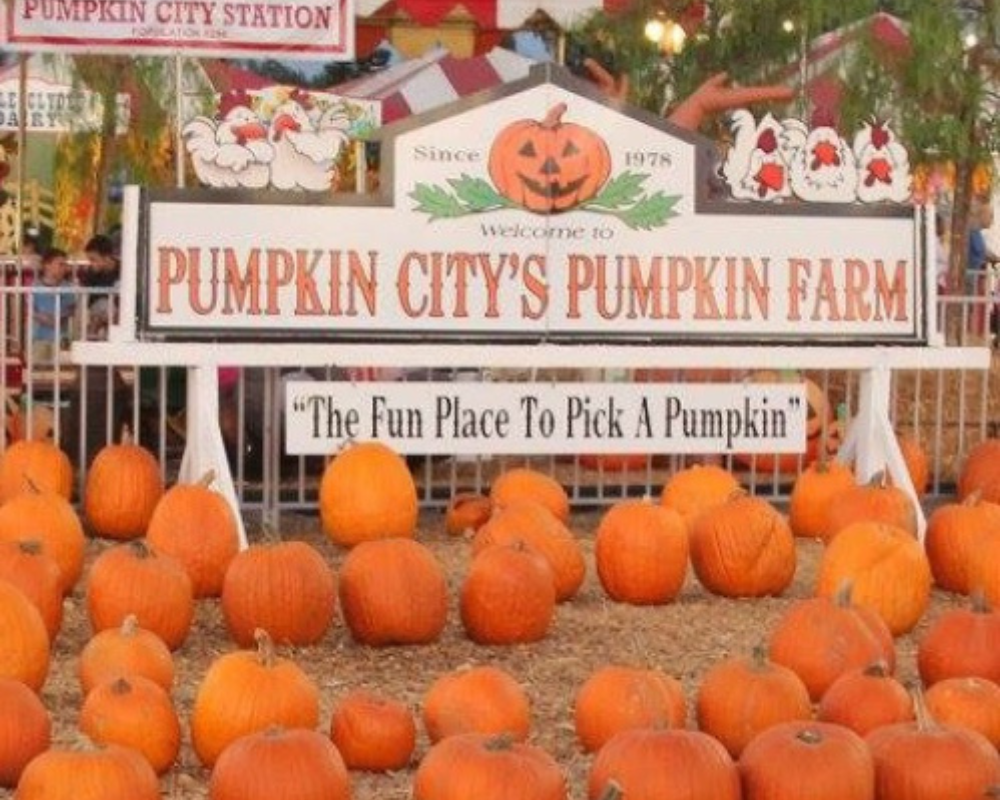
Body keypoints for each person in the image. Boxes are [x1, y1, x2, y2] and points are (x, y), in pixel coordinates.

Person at [30, 247, 76, 364]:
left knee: (63, 369)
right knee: (37, 368)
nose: (64, 268)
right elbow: (30, 308)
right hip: (39, 337)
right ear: (47, 265)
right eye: (60, 264)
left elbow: (71, 309)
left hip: (62, 338)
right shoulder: (35, 286)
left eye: (65, 265)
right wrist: (41, 317)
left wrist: (58, 318)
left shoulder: (68, 287)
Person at [78, 234, 121, 340]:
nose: (91, 264)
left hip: (121, 317)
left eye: (93, 259)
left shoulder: (125, 271)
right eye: (89, 260)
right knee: (102, 305)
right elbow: (88, 303)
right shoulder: (89, 276)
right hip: (99, 316)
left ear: (106, 257)